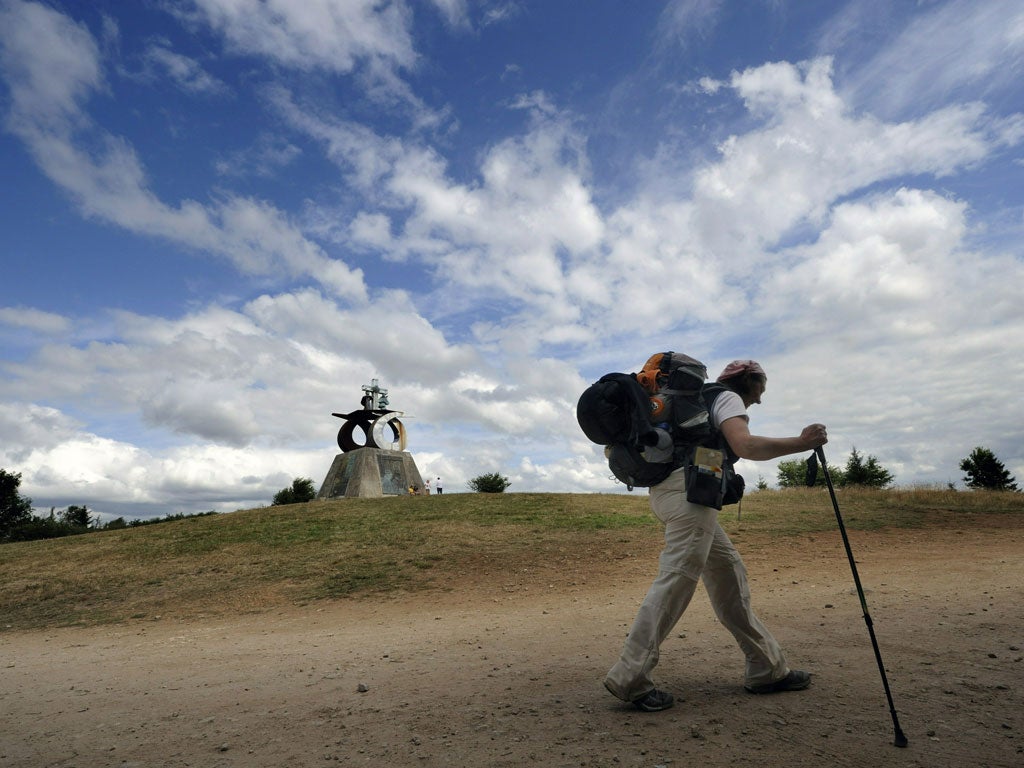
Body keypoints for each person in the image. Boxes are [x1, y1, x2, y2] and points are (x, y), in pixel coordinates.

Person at [603, 359, 828, 712]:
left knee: (729, 575)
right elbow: (747, 446)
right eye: (761, 389)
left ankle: (766, 668)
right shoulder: (727, 398)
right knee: (676, 581)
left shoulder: (697, 401)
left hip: (670, 495)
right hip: (690, 497)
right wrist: (801, 442)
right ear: (748, 381)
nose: (760, 398)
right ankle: (629, 676)